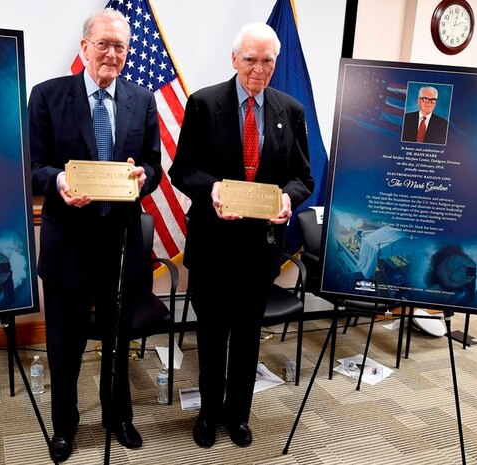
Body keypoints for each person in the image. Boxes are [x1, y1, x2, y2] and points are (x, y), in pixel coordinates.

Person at [168, 22, 313, 449]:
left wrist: (289, 198)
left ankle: (239, 417)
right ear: (235, 59)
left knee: (248, 338)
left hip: (260, 250)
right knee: (212, 337)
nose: (259, 69)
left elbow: (303, 176)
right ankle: (208, 416)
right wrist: (211, 188)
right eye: (250, 59)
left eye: (268, 60)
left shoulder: (291, 110)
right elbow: (182, 170)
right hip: (213, 246)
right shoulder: (202, 103)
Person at [28, 8, 162, 463]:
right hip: (68, 245)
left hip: (120, 247)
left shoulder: (142, 100)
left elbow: (154, 167)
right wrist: (60, 184)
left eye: (120, 46)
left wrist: (142, 175)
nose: (111, 53)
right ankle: (65, 425)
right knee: (64, 345)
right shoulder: (46, 96)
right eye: (103, 44)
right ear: (84, 47)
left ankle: (117, 417)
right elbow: (32, 170)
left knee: (117, 340)